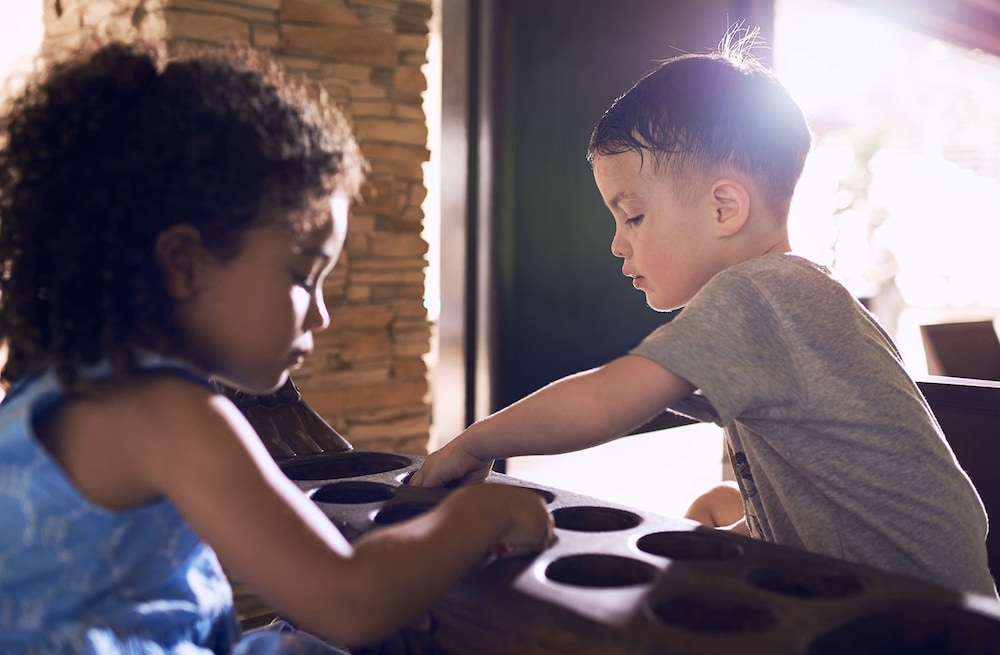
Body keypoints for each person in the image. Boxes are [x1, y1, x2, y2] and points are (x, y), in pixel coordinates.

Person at [0, 41, 553, 654]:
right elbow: (349, 601)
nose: (321, 314)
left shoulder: (60, 387)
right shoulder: (167, 413)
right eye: (302, 276)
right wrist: (478, 518)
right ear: (184, 263)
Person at [411, 32, 998, 599]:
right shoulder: (796, 296)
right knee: (716, 507)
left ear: (724, 208)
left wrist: (470, 444)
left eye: (633, 216)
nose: (617, 243)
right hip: (921, 587)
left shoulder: (761, 293)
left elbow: (605, 400)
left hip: (926, 616)